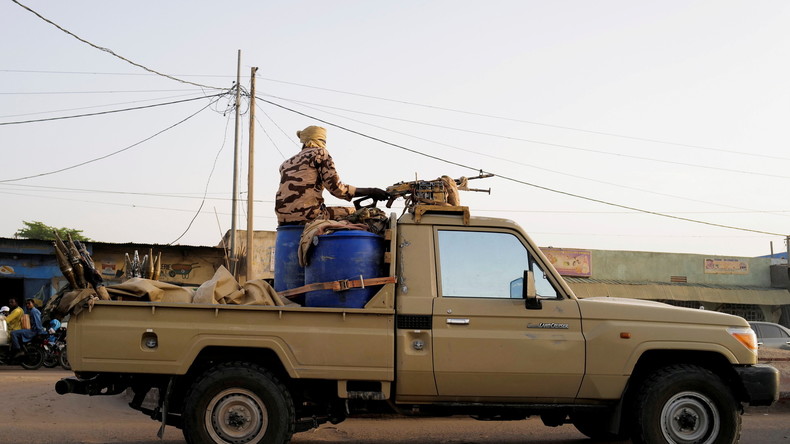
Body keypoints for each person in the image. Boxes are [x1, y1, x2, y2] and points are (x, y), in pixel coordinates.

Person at [275, 125, 388, 225]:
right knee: (368, 213)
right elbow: (337, 190)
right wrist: (372, 191)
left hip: (283, 220)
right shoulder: (320, 153)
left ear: (304, 142)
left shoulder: (285, 164)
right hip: (310, 216)